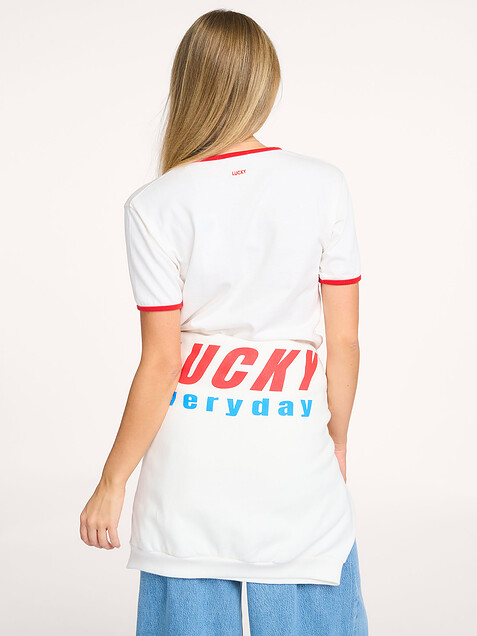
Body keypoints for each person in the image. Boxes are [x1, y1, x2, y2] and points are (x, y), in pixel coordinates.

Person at [79, 9, 368, 635]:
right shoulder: (324, 186)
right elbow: (343, 341)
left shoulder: (154, 204)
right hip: (293, 464)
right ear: (265, 83)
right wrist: (337, 437)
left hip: (187, 480)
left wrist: (112, 482)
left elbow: (162, 363)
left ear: (188, 84)